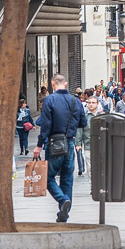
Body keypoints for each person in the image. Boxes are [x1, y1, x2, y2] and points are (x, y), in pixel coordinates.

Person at [33, 74, 84, 223]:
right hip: (69, 142)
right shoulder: (75, 101)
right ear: (66, 84)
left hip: (54, 143)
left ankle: (62, 199)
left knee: (48, 177)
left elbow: (46, 125)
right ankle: (65, 212)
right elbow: (82, 122)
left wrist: (39, 145)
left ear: (53, 84)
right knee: (67, 179)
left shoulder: (50, 100)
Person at [75, 92, 91, 177]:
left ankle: (81, 168)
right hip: (80, 130)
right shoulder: (80, 105)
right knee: (79, 150)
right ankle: (81, 168)